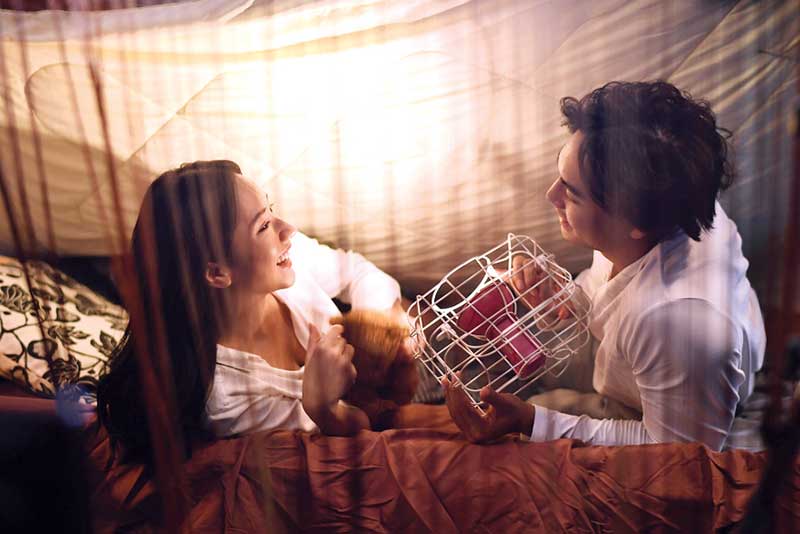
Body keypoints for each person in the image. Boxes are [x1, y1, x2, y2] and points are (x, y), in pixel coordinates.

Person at [442, 81, 766, 451]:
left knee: (521, 422)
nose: (551, 195)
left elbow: (676, 451)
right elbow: (614, 289)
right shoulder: (670, 193)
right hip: (629, 353)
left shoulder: (681, 323)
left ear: (635, 219)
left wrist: (532, 421)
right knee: (481, 343)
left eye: (571, 193)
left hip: (671, 410)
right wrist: (563, 295)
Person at [97, 160, 410, 465]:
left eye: (270, 209)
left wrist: (378, 334)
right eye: (263, 226)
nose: (288, 230)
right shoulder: (227, 396)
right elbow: (361, 432)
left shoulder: (286, 259)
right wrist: (323, 409)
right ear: (217, 273)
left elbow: (358, 272)